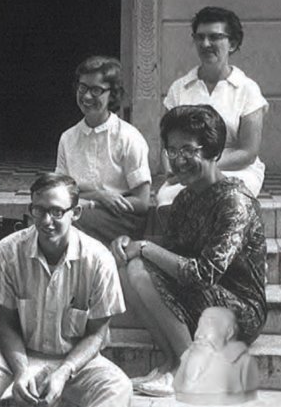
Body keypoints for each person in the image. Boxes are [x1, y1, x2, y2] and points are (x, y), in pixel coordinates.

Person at [111, 105, 267, 397]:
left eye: (187, 150)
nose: (178, 160)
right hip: (200, 303)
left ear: (213, 152)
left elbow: (203, 274)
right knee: (129, 267)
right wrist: (127, 244)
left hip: (239, 313)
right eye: (172, 151)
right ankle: (171, 362)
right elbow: (169, 258)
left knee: (142, 268)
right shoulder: (185, 198)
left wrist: (144, 246)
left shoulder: (235, 202)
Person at [0, 173, 131, 407]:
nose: (46, 220)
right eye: (39, 210)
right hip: (22, 358)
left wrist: (64, 372)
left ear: (76, 213)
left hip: (77, 366)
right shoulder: (8, 252)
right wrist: (21, 371)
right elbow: (7, 324)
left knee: (118, 386)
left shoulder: (98, 259)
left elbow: (97, 334)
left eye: (57, 211)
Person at [157, 6, 267, 206]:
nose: (205, 44)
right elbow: (166, 144)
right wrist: (173, 167)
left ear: (232, 43)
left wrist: (201, 164)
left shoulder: (247, 89)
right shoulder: (179, 88)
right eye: (200, 37)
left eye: (214, 37)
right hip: (187, 170)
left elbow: (248, 152)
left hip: (236, 170)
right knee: (166, 199)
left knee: (227, 197)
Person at [56, 56, 151, 243]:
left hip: (121, 218)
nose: (87, 96)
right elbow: (60, 191)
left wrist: (100, 204)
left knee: (61, 224)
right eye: (82, 88)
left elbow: (142, 202)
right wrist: (98, 196)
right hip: (77, 212)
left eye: (96, 90)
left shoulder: (128, 137)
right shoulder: (68, 138)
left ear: (112, 94)